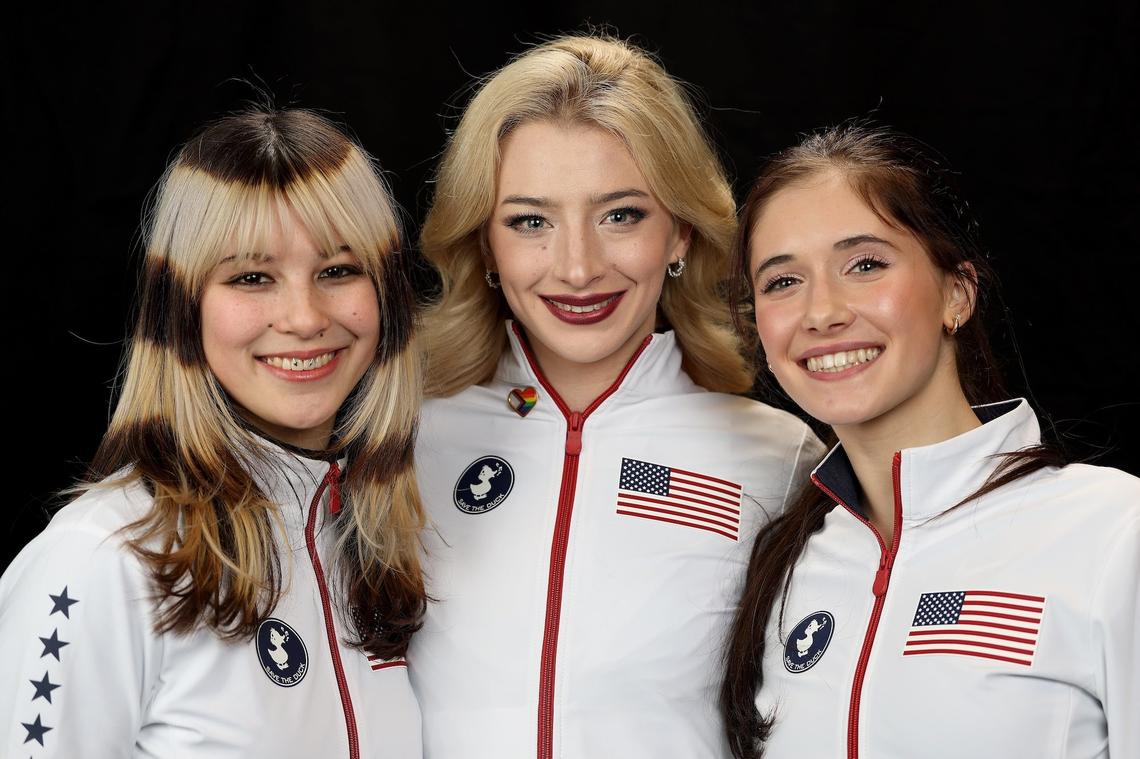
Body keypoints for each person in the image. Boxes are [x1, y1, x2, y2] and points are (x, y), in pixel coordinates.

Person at [409, 35, 824, 758]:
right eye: (530, 220)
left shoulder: (780, 458)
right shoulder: (401, 438)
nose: (577, 266)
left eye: (621, 215)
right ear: (485, 246)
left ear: (682, 233)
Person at [0, 107, 426, 757]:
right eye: (252, 277)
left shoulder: (372, 543)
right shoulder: (103, 556)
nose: (305, 317)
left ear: (387, 293)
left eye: (338, 269)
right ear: (183, 306)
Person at [721, 123, 1139, 759]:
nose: (822, 311)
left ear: (957, 292)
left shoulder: (1112, 532)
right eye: (783, 281)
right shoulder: (783, 567)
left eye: (865, 265)